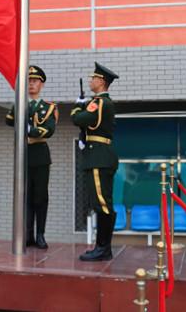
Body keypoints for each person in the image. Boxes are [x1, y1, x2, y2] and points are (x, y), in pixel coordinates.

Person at [5, 65, 57, 249]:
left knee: (40, 197)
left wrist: (29, 130)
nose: (31, 84)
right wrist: (19, 106)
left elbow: (48, 130)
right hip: (24, 152)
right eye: (28, 81)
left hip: (40, 154)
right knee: (25, 196)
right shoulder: (20, 104)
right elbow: (8, 120)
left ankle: (40, 234)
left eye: (34, 81)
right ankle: (28, 234)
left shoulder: (49, 107)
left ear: (41, 84)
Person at [72, 62, 119, 262]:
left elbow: (79, 119)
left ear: (101, 81)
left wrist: (77, 107)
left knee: (102, 204)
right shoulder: (100, 103)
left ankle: (103, 249)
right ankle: (102, 247)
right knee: (101, 203)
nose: (91, 81)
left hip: (99, 157)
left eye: (93, 78)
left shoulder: (100, 102)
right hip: (98, 155)